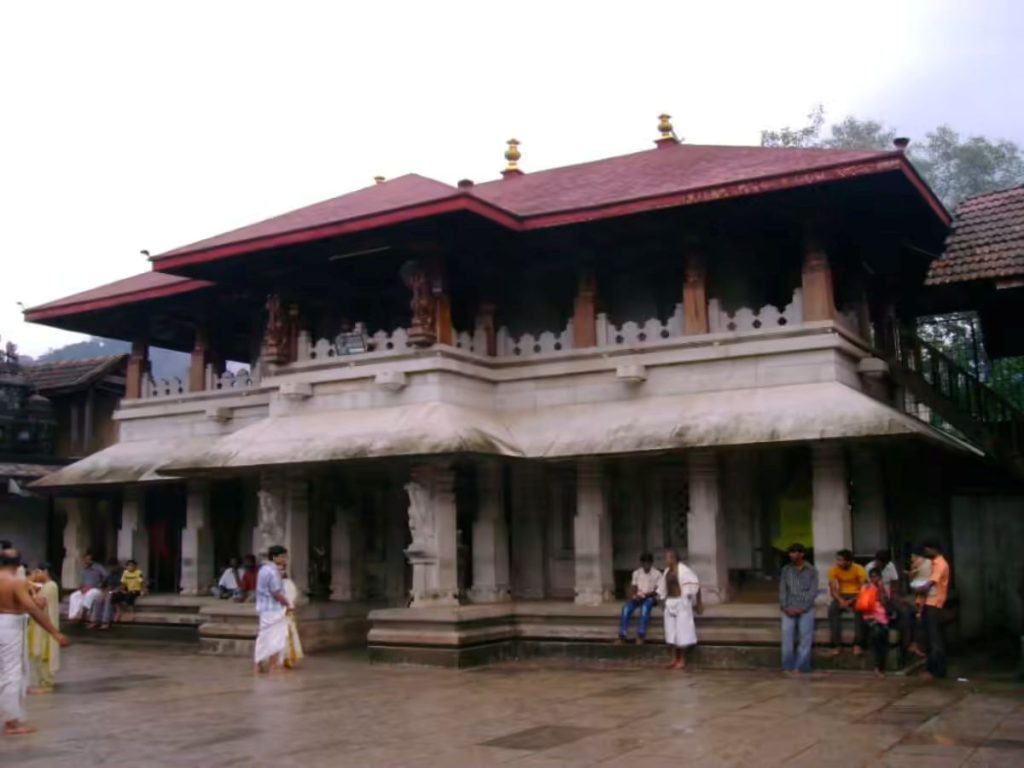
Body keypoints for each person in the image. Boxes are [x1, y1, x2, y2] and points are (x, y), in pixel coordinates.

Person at [0, 549, 68, 735]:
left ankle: (10, 718)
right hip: (9, 627)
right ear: (18, 564)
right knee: (12, 673)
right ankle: (12, 723)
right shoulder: (16, 582)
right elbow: (32, 609)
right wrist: (54, 632)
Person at [656, 549, 700, 670]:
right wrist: (662, 601)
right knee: (671, 632)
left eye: (667, 558)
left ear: (674, 558)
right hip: (670, 602)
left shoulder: (684, 571)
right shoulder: (666, 572)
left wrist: (698, 604)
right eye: (665, 558)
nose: (665, 560)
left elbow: (696, 586)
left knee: (682, 632)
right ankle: (674, 659)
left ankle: (682, 660)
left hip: (681, 602)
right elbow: (662, 589)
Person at [779, 543, 819, 676]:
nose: (792, 555)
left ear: (802, 554)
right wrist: (785, 606)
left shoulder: (811, 570)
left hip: (806, 608)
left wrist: (802, 607)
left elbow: (813, 591)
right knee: (787, 637)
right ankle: (787, 666)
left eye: (795, 552)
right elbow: (783, 589)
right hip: (789, 607)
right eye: (790, 552)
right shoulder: (786, 570)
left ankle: (801, 667)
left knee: (805, 638)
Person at [253, 546, 292, 673]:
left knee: (264, 636)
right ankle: (273, 665)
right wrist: (287, 604)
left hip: (264, 609)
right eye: (283, 556)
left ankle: (258, 664)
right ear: (275, 557)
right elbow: (276, 592)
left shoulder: (263, 570)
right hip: (274, 609)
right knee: (275, 637)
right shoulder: (273, 571)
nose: (285, 559)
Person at [26, 563, 61, 694]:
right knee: (38, 654)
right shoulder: (45, 586)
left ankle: (47, 683)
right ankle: (41, 681)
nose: (35, 575)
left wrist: (32, 592)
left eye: (37, 572)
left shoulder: (51, 586)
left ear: (45, 571)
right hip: (39, 624)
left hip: (45, 625)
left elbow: (40, 604)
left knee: (45, 653)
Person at [919, 541, 950, 680]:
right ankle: (935, 669)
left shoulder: (940, 564)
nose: (926, 553)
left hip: (934, 604)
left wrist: (918, 587)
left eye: (928, 550)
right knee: (932, 638)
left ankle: (936, 670)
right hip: (930, 603)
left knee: (934, 639)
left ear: (934, 549)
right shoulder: (933, 564)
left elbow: (929, 584)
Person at [827, 549, 867, 656]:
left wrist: (851, 601)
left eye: (840, 560)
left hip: (857, 595)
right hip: (841, 595)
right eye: (837, 560)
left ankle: (858, 644)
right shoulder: (834, 570)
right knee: (832, 609)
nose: (838, 562)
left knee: (860, 610)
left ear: (848, 561)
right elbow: (833, 590)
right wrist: (841, 600)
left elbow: (864, 589)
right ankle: (836, 645)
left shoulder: (859, 569)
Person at [615, 552, 661, 645]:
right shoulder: (636, 573)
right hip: (638, 597)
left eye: (648, 563)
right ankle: (622, 635)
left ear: (651, 563)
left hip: (651, 598)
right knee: (626, 608)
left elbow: (657, 590)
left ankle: (641, 635)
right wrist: (635, 596)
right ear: (641, 563)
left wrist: (645, 596)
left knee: (645, 608)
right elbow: (634, 587)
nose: (646, 565)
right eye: (644, 563)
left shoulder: (657, 574)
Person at [857, 568, 894, 678]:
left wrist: (881, 589)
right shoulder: (866, 588)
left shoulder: (884, 589)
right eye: (872, 577)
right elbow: (863, 604)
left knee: (883, 639)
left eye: (876, 577)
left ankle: (881, 667)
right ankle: (877, 667)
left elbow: (885, 602)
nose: (875, 579)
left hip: (883, 618)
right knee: (876, 635)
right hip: (870, 617)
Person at [67, 552, 107, 627]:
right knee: (74, 595)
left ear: (92, 560)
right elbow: (81, 583)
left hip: (96, 590)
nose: (86, 561)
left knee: (90, 594)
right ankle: (73, 616)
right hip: (86, 589)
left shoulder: (98, 567)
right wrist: (82, 588)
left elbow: (106, 577)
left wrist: (101, 584)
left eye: (88, 559)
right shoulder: (84, 570)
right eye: (85, 559)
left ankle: (83, 614)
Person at [279, 566, 304, 669]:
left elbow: (291, 597)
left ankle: (287, 658)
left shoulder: (288, 583)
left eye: (281, 570)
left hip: (285, 613)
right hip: (275, 614)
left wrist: (286, 608)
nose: (279, 572)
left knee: (287, 635)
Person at [99, 558, 125, 629]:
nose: (111, 568)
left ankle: (106, 621)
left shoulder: (123, 572)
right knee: (100, 597)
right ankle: (96, 619)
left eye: (112, 566)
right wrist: (104, 591)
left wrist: (113, 590)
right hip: (112, 591)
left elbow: (124, 585)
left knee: (109, 596)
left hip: (121, 591)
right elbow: (104, 584)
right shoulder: (111, 573)